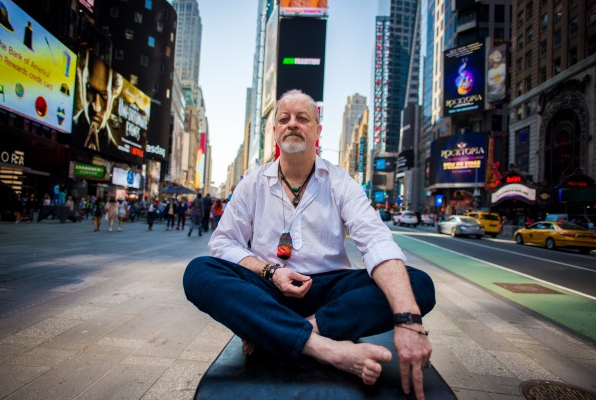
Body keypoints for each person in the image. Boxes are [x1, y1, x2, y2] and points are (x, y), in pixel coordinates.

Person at [183, 90, 435, 398]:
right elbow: (223, 244)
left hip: (330, 296)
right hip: (270, 292)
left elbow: (376, 241)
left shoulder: (341, 182)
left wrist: (409, 322)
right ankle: (326, 348)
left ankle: (282, 331)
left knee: (418, 285)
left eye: (302, 118)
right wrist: (270, 271)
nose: (292, 124)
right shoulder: (252, 184)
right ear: (274, 130)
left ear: (317, 130)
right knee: (198, 272)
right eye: (284, 119)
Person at [73, 51, 123, 152]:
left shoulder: (114, 149)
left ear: (112, 97)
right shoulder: (67, 130)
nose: (96, 107)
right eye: (90, 89)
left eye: (104, 95)